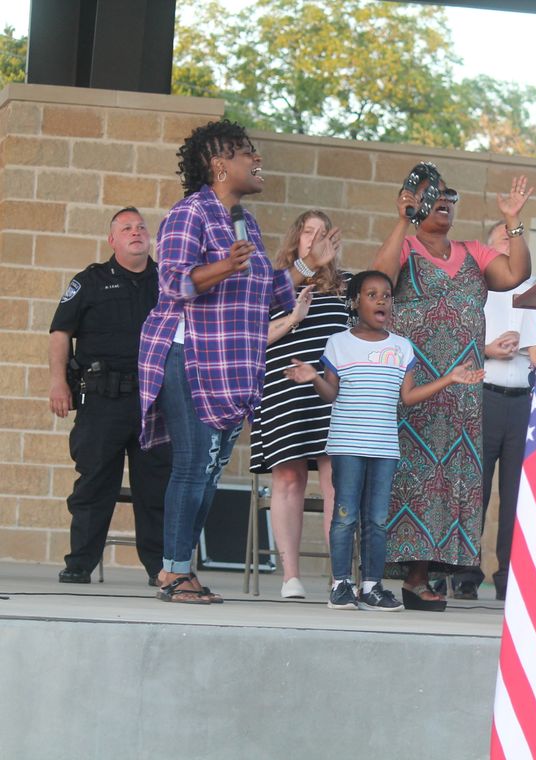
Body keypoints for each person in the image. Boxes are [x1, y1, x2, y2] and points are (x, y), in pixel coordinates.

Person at [138, 119, 337, 604]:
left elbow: (269, 290)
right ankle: (172, 572)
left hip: (230, 363)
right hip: (190, 353)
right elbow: (173, 285)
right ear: (219, 164)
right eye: (247, 152)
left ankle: (180, 568)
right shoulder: (190, 214)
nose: (257, 159)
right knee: (192, 465)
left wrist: (309, 266)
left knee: (207, 470)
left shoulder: (244, 220)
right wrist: (224, 264)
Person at [373, 164, 532, 611]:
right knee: (409, 478)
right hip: (413, 387)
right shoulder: (404, 245)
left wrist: (513, 221)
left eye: (447, 194)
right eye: (429, 195)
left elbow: (516, 273)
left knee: (447, 482)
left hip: (461, 394)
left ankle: (425, 576)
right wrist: (402, 220)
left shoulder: (474, 252)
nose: (441, 200)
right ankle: (391, 575)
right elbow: (380, 282)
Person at [284, 271, 485, 611]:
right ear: (355, 302)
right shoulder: (339, 343)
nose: (381, 300)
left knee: (377, 519)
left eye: (387, 295)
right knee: (346, 515)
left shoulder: (401, 347)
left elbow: (407, 397)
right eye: (372, 294)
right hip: (347, 446)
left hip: (384, 449)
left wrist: (449, 379)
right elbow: (331, 393)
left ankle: (372, 585)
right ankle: (341, 585)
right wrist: (314, 378)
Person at [49, 207, 171, 586]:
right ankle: (80, 564)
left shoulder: (167, 281)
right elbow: (60, 334)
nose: (136, 233)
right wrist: (58, 382)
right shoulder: (90, 281)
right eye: (126, 228)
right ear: (112, 241)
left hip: (155, 400)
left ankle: (160, 569)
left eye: (140, 227)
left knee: (155, 488)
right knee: (94, 484)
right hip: (102, 400)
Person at [249, 210, 351, 599]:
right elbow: (253, 339)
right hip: (283, 389)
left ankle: (339, 575)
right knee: (289, 478)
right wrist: (294, 317)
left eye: (323, 233)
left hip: (329, 391)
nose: (315, 238)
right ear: (296, 238)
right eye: (308, 232)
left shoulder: (346, 285)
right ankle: (290, 575)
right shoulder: (272, 284)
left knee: (334, 481)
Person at [449, 222, 536, 601]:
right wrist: (487, 349)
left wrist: (526, 347)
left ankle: (510, 576)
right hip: (483, 393)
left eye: (515, 236)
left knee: (517, 494)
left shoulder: (535, 287)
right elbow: (453, 336)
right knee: (476, 489)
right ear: (487, 247)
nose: (509, 241)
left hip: (522, 397)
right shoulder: (477, 285)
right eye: (503, 236)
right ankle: (466, 572)